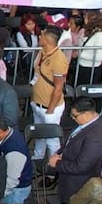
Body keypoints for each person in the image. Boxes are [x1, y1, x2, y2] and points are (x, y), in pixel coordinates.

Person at [51, 99, 102, 204]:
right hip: (69, 178)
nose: (72, 118)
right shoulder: (86, 123)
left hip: (77, 186)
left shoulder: (96, 136)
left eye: (75, 115)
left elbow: (81, 167)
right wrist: (60, 153)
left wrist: (57, 163)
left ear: (86, 114)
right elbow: (71, 141)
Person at [31, 28, 69, 159]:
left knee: (52, 140)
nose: (39, 36)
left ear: (46, 39)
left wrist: (51, 110)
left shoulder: (58, 59)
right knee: (39, 135)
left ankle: (53, 168)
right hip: (37, 103)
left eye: (41, 35)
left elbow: (58, 87)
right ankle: (37, 158)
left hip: (50, 108)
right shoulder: (42, 52)